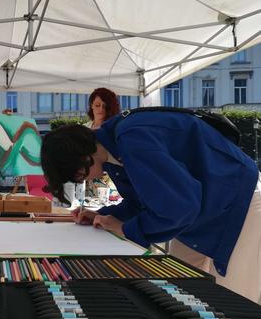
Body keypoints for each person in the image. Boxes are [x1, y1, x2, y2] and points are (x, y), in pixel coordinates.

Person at [40, 113, 260, 303]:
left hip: (241, 204)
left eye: (76, 175)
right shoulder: (113, 148)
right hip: (207, 207)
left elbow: (178, 208)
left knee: (233, 302)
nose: (81, 181)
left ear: (83, 157)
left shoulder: (132, 139)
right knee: (181, 286)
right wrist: (104, 215)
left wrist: (126, 229)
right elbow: (143, 201)